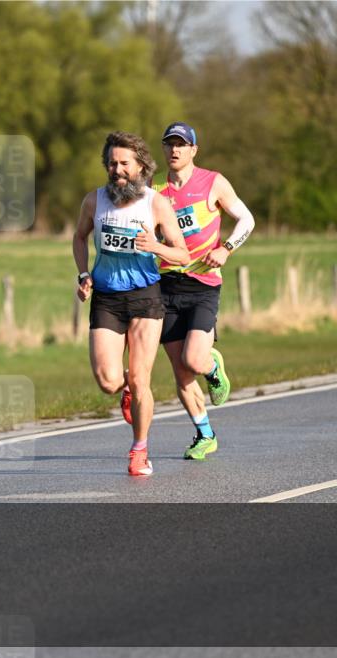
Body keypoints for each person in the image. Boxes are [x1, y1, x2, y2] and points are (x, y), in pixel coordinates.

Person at [73, 131, 190, 476]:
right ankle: (125, 387)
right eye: (112, 163)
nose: (117, 169)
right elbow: (79, 237)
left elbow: (181, 253)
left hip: (145, 297)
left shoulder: (156, 203)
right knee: (109, 381)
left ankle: (139, 450)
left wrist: (154, 247)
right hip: (107, 298)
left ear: (141, 166)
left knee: (142, 379)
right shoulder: (94, 202)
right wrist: (83, 275)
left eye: (124, 163)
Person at [140, 121, 256, 461]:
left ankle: (213, 367)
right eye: (169, 144)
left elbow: (246, 219)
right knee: (180, 371)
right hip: (165, 286)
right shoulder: (153, 188)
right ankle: (205, 434)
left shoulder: (213, 182)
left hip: (204, 283)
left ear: (193, 150)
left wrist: (227, 248)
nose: (174, 150)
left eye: (181, 144)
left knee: (194, 360)